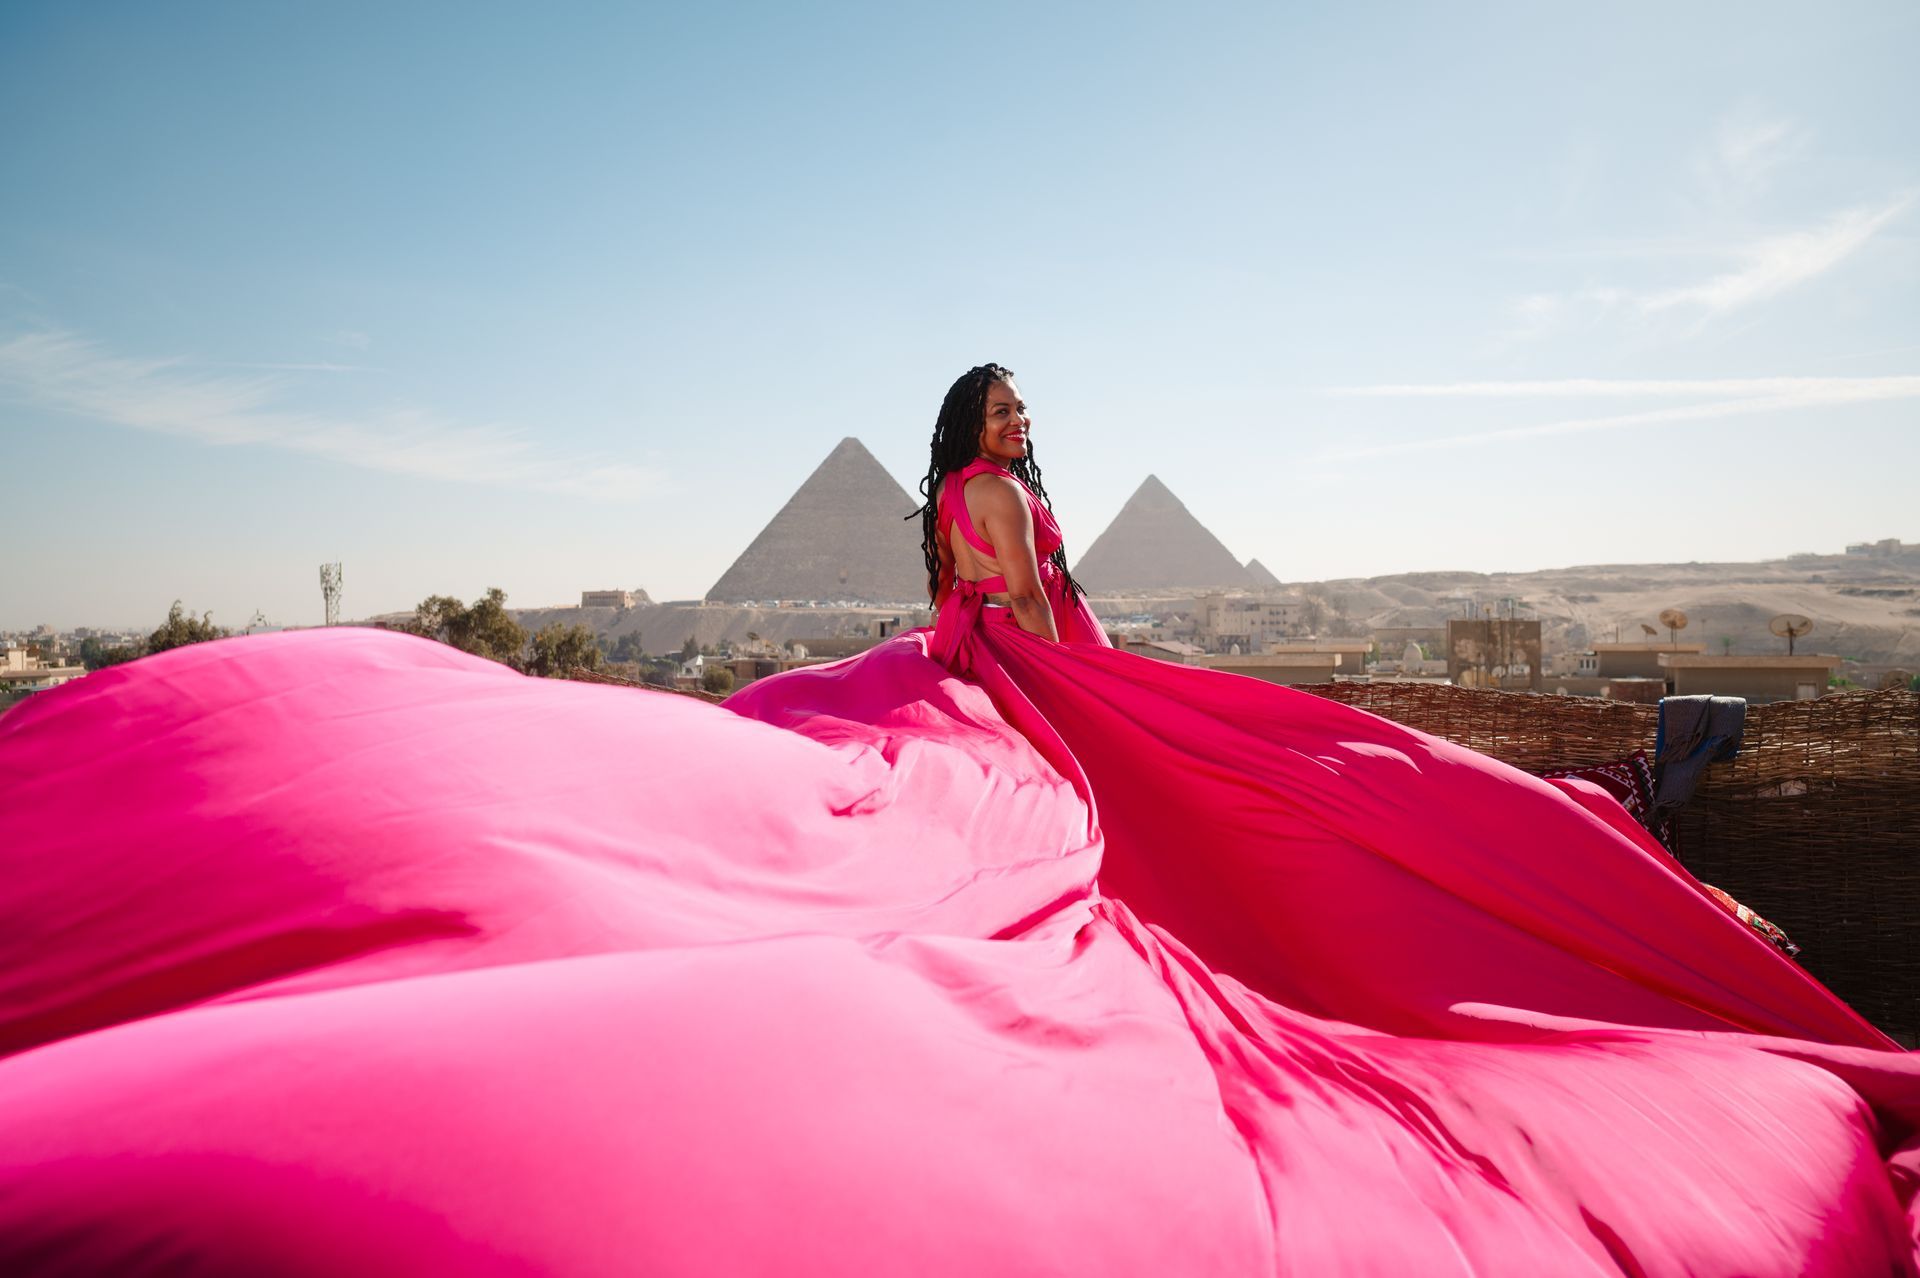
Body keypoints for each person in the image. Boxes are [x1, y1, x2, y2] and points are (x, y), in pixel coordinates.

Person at [0, 366, 1914, 1276]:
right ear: (960, 434)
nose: (1016, 424)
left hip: (1070, 660)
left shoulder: (1035, 493)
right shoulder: (966, 513)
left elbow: (1064, 598)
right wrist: (1025, 660)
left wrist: (1101, 649)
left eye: (1024, 409)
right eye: (996, 410)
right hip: (1014, 673)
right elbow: (986, 609)